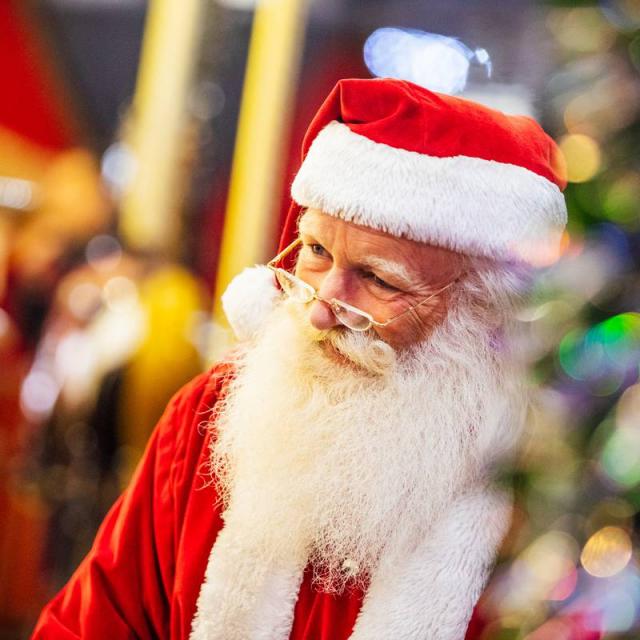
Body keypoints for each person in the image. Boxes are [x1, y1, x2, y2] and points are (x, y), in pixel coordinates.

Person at [31, 78, 568, 640]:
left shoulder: (539, 498)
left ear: (483, 312)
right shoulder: (212, 413)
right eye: (315, 251)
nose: (318, 312)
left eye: (379, 279)